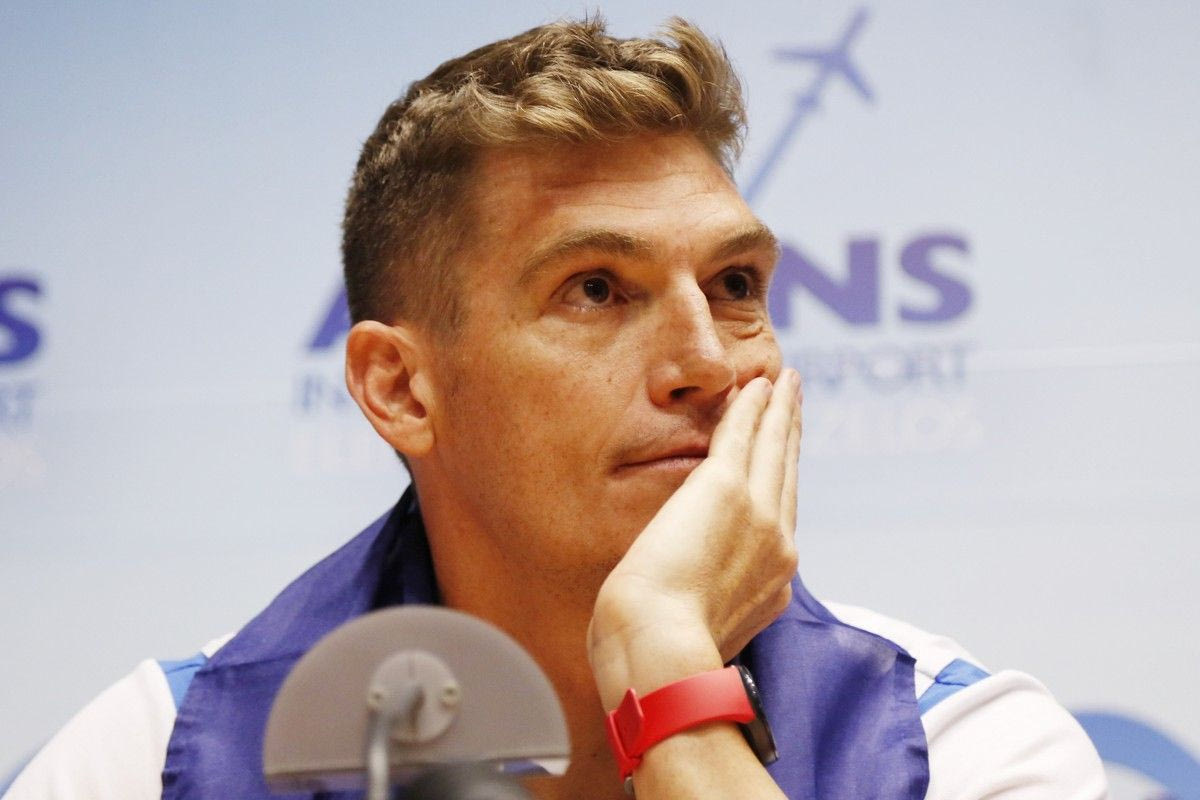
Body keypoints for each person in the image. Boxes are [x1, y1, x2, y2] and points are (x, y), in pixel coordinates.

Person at [2, 16, 1106, 800]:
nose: (706, 363)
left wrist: (671, 683)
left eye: (734, 284)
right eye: (596, 290)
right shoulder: (151, 763)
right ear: (401, 387)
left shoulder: (961, 751)